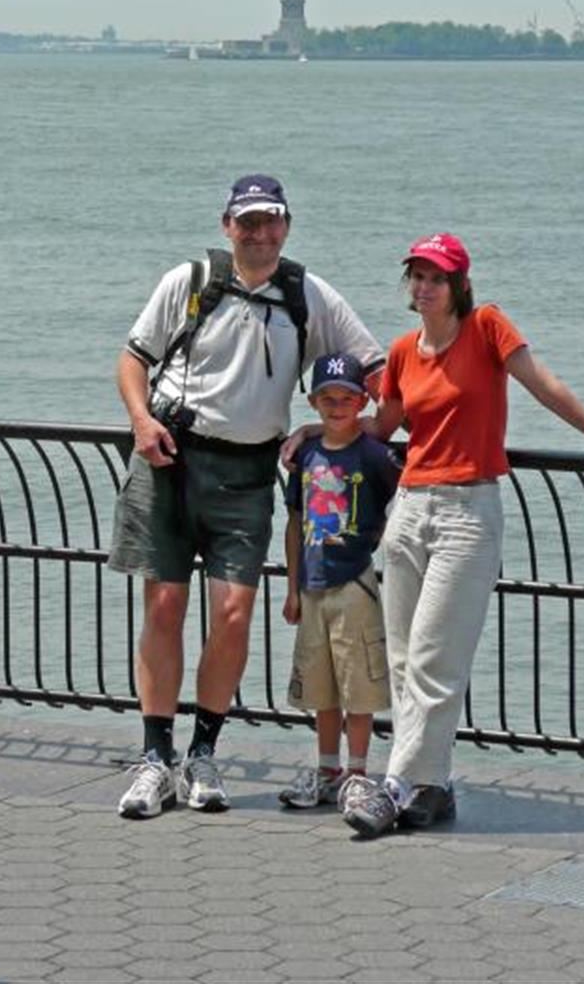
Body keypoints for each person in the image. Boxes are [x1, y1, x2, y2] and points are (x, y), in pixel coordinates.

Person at [331, 232, 584, 837]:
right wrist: (319, 432)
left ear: (459, 284)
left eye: (437, 277)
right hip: (409, 511)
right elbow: (383, 426)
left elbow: (544, 385)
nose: (425, 287)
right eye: (417, 276)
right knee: (403, 661)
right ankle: (433, 786)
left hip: (468, 513)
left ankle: (393, 787)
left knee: (433, 658)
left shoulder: (486, 327)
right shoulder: (402, 352)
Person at [109, 175, 384, 820]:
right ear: (227, 225)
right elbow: (132, 359)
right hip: (170, 458)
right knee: (164, 606)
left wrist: (339, 429)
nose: (260, 233)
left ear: (287, 225)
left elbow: (376, 369)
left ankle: (202, 755)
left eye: (271, 221)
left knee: (233, 614)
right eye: (248, 222)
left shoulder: (306, 294)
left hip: (249, 473)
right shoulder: (190, 281)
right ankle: (155, 759)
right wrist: (141, 422)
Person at [278, 352, 401, 809]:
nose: (336, 406)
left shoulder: (374, 455)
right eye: (327, 399)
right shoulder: (305, 455)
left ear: (362, 401)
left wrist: (380, 536)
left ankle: (357, 772)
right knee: (322, 685)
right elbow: (294, 522)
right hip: (312, 585)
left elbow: (402, 497)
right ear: (313, 403)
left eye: (346, 398)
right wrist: (292, 588)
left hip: (355, 582)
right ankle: (328, 769)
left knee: (359, 684)